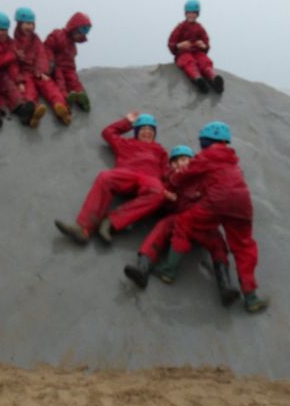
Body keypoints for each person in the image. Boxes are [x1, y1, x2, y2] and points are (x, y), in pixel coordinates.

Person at [159, 121, 269, 313]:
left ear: (205, 141)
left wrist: (171, 183)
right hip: (243, 204)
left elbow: (184, 175)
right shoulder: (233, 162)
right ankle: (251, 297)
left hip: (218, 201)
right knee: (244, 247)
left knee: (184, 223)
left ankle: (168, 270)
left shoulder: (206, 156)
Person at [124, 144, 240, 307]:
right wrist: (167, 196)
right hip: (180, 221)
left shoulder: (202, 178)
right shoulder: (170, 180)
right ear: (172, 164)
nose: (182, 163)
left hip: (203, 224)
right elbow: (159, 196)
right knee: (161, 228)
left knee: (218, 243)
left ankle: (225, 285)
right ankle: (143, 268)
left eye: (186, 160)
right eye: (178, 161)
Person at [54, 113, 175, 244]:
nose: (147, 132)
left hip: (149, 180)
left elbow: (166, 173)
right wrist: (127, 121)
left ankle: (110, 222)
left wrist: (168, 190)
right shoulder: (125, 143)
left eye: (151, 129)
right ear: (137, 132)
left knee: (159, 193)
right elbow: (108, 133)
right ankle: (83, 229)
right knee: (105, 177)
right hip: (127, 174)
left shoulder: (160, 150)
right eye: (143, 129)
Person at [13, 7, 71, 127]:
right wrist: (19, 81)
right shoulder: (13, 43)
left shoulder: (36, 39)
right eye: (26, 24)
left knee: (50, 86)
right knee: (29, 91)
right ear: (19, 24)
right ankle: (34, 112)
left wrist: (42, 71)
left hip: (37, 72)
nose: (29, 27)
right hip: (25, 74)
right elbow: (13, 64)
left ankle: (61, 107)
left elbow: (41, 55)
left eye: (31, 24)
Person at [0, 12, 36, 126]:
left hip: (4, 73)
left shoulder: (9, 42)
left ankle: (22, 110)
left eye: (6, 30)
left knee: (11, 88)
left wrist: (18, 80)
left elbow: (12, 64)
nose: (4, 33)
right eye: (1, 30)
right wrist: (12, 55)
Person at [168, 0, 224, 94]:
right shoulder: (180, 27)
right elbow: (171, 43)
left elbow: (206, 42)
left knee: (204, 61)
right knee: (188, 61)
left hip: (197, 52)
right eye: (189, 12)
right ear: (185, 13)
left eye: (194, 12)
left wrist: (204, 46)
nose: (191, 15)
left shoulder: (199, 28)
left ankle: (214, 78)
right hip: (183, 53)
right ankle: (197, 79)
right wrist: (178, 46)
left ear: (197, 14)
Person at [44, 12, 92, 112]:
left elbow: (71, 61)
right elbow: (47, 47)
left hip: (67, 68)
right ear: (73, 28)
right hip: (56, 66)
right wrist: (50, 61)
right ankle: (65, 97)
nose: (80, 36)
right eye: (79, 33)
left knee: (73, 79)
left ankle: (81, 96)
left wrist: (72, 70)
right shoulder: (58, 35)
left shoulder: (72, 46)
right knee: (60, 79)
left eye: (82, 35)